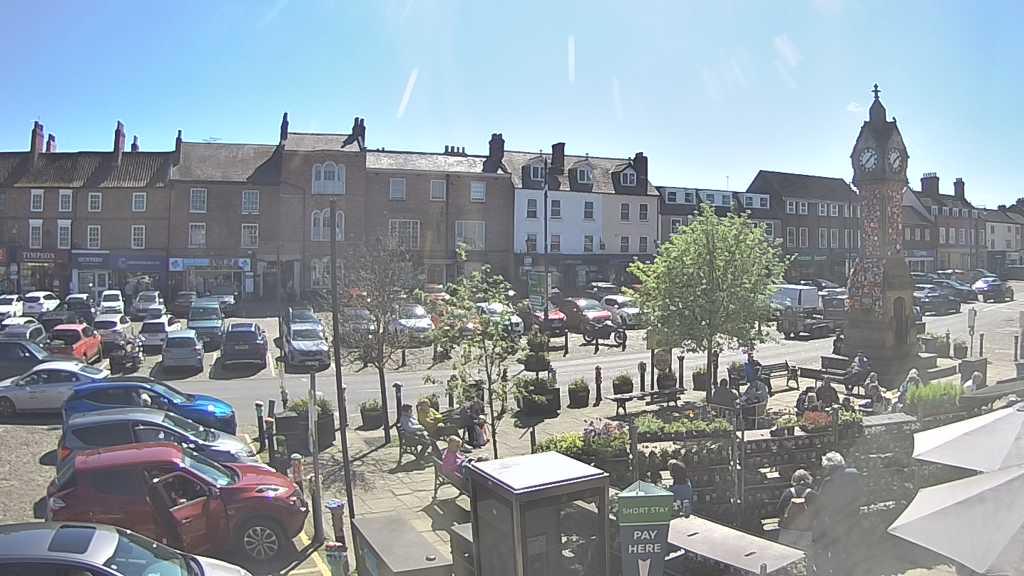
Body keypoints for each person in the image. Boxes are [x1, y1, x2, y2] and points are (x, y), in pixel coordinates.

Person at [814, 452, 864, 576]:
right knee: (851, 547)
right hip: (853, 518)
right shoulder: (854, 474)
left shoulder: (828, 482)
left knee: (836, 549)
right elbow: (862, 495)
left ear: (829, 467)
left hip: (835, 521)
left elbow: (820, 503)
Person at [777, 469, 817, 551]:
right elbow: (819, 511)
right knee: (803, 554)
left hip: (788, 528)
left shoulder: (788, 492)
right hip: (806, 529)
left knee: (785, 553)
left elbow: (779, 509)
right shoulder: (812, 494)